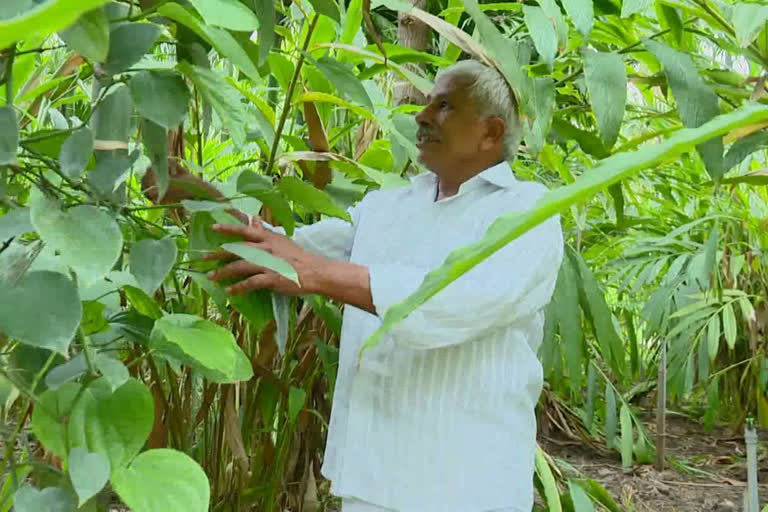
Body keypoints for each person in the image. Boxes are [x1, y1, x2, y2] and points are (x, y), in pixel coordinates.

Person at [194, 60, 563, 511]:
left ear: (490, 132)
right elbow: (282, 251)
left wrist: (316, 273)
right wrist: (197, 196)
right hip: (373, 476)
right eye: (427, 103)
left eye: (444, 106)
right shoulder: (388, 207)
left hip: (466, 480)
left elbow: (456, 303)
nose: (422, 117)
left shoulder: (528, 213)